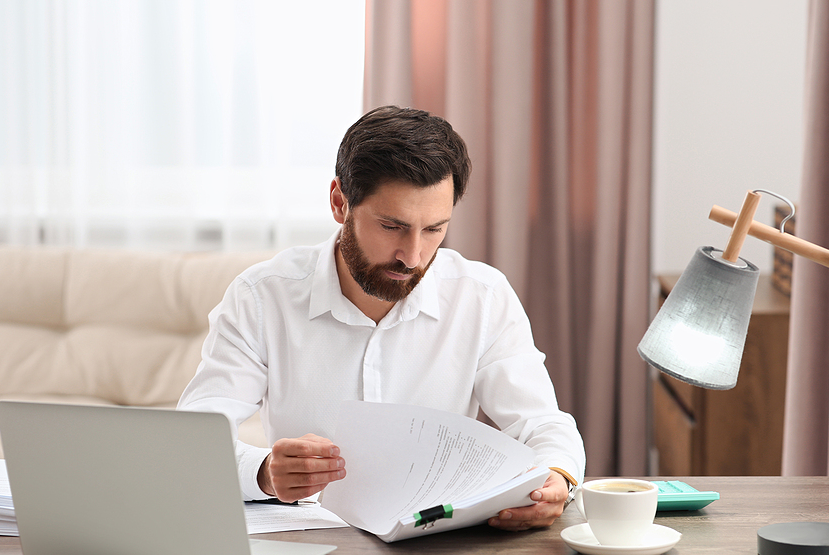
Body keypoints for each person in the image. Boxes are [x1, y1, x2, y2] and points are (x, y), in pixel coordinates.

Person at [178, 105, 586, 531]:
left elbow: (540, 422)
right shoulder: (261, 297)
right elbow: (193, 439)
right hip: (309, 539)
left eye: (434, 229)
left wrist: (556, 477)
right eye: (393, 226)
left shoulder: (482, 296)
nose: (412, 256)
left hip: (437, 544)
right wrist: (263, 471)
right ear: (340, 202)